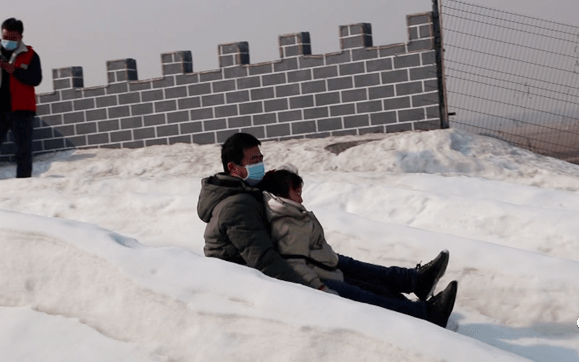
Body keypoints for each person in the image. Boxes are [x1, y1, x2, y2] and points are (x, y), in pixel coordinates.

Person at [196, 132, 457, 327]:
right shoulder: (235, 208)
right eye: (254, 161)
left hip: (282, 259)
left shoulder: (241, 190)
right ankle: (423, 315)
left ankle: (414, 282)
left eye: (261, 159)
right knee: (345, 286)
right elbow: (263, 260)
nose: (260, 165)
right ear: (233, 168)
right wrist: (311, 287)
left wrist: (270, 180)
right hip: (258, 281)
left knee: (339, 262)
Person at [259, 167, 458, 327]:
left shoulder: (291, 213)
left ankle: (418, 294)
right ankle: (426, 314)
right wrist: (318, 286)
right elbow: (294, 262)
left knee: (374, 285)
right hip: (322, 278)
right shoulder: (287, 222)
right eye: (297, 193)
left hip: (327, 267)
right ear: (283, 194)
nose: (301, 199)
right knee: (367, 296)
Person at [0, 18, 42, 189]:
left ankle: (24, 182)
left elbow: (36, 79)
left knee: (23, 149)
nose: (8, 41)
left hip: (21, 110)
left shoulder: (30, 55)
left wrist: (15, 71)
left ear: (20, 36)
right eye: (6, 37)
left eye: (12, 38)